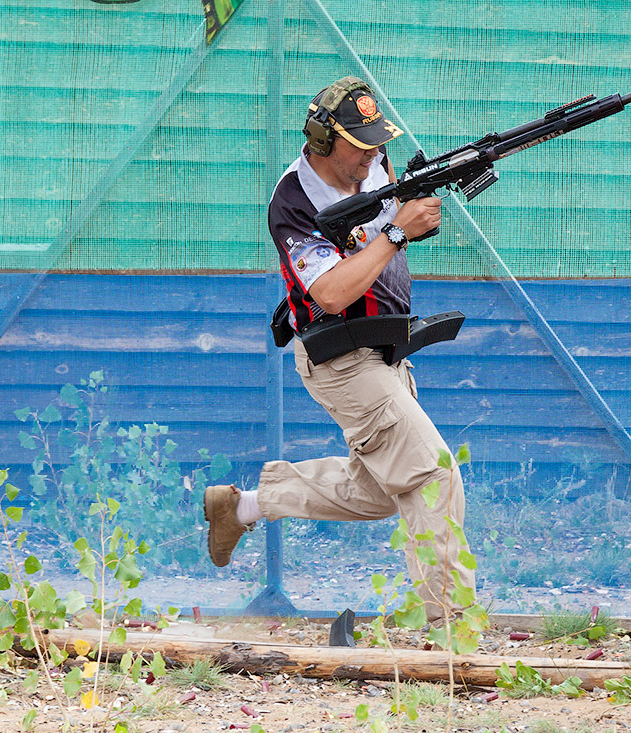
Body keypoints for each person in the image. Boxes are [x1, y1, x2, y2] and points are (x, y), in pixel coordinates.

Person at [203, 76, 474, 623]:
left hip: (387, 348)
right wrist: (397, 233)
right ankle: (451, 631)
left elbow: (388, 212)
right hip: (342, 359)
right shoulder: (293, 202)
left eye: (378, 140)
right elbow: (328, 291)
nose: (373, 154)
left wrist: (416, 204)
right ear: (323, 141)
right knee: (434, 472)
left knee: (379, 491)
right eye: (359, 142)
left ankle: (243, 506)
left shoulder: (374, 163)